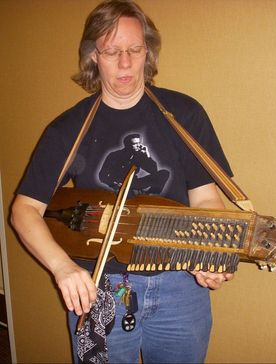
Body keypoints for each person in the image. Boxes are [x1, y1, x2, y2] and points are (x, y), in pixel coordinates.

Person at [11, 0, 235, 363]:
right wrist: (62, 267)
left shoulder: (185, 114)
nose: (126, 63)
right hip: (98, 289)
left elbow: (206, 199)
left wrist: (205, 252)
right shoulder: (66, 129)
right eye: (112, 52)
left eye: (134, 49)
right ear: (92, 57)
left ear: (148, 51)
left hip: (180, 283)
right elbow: (24, 210)